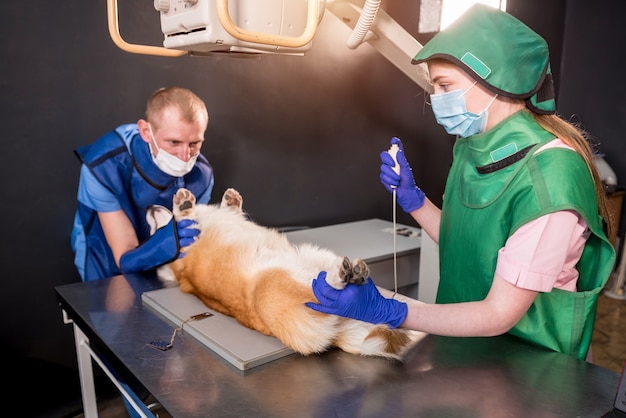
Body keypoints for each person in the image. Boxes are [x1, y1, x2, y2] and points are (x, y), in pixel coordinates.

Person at [306, 4, 616, 361]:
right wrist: (414, 200)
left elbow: (499, 314)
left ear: (496, 79)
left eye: (445, 86)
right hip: (468, 347)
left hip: (534, 363)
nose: (436, 99)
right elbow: (468, 244)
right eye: (433, 86)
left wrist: (393, 310)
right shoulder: (472, 147)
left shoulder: (551, 177)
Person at [71, 86, 214, 283]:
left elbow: (192, 244)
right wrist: (169, 242)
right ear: (146, 132)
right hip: (106, 255)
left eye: (194, 143)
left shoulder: (202, 175)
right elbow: (125, 258)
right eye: (174, 142)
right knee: (112, 306)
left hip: (166, 262)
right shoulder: (104, 166)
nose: (185, 156)